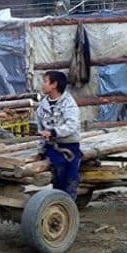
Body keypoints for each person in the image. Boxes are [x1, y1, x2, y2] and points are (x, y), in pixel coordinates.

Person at [35, 71, 82, 200]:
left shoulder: (69, 104)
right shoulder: (42, 107)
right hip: (52, 148)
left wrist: (53, 132)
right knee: (58, 174)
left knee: (71, 178)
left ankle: (69, 205)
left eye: (45, 81)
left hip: (70, 147)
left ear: (54, 84)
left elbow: (71, 125)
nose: (42, 85)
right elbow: (40, 130)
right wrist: (40, 151)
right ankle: (59, 203)